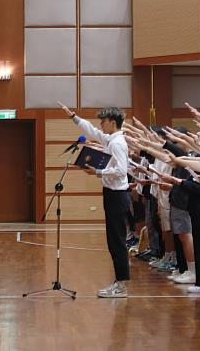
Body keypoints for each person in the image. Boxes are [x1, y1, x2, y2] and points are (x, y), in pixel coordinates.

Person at [59, 101, 130, 298]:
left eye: (103, 121)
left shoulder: (117, 143)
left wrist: (97, 172)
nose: (100, 124)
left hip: (118, 196)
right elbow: (92, 131)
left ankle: (122, 286)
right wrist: (73, 116)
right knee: (113, 241)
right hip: (112, 195)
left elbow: (121, 170)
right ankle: (118, 281)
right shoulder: (111, 139)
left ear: (113, 122)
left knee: (117, 242)